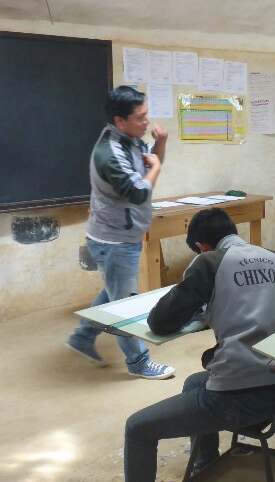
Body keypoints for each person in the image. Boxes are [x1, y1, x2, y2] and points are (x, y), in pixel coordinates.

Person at [123, 208, 275, 482]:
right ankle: (206, 464)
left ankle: (205, 460)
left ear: (201, 246)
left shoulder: (209, 263)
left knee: (136, 429)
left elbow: (160, 321)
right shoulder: (274, 257)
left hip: (241, 396)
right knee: (193, 382)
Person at [65, 85, 175, 379]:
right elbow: (138, 191)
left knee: (114, 292)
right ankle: (138, 362)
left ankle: (83, 336)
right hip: (113, 240)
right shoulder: (110, 153)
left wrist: (161, 143)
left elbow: (151, 161)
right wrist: (156, 169)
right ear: (119, 120)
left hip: (123, 235)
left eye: (146, 114)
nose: (146, 121)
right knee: (124, 304)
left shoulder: (131, 138)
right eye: (140, 117)